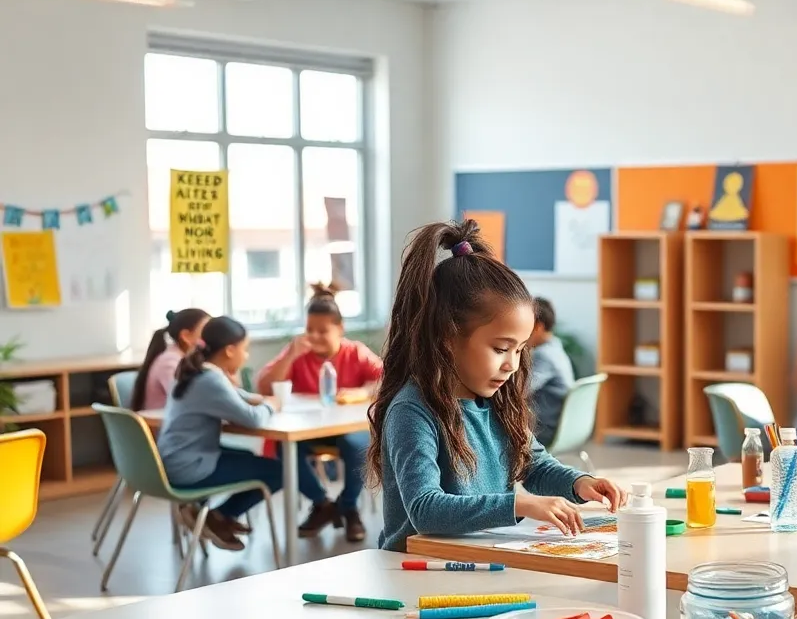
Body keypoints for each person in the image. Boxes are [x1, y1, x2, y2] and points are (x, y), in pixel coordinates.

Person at [370, 220, 627, 553]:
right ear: (448, 339)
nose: (513, 364)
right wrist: (518, 504)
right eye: (501, 348)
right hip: (417, 569)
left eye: (519, 349)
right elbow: (425, 510)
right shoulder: (413, 410)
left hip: (478, 560)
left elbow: (534, 464)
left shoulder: (495, 402)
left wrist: (581, 483)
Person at [156, 317, 323, 552]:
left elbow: (235, 394)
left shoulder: (196, 371)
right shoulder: (211, 379)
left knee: (246, 454)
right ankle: (218, 516)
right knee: (279, 471)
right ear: (229, 350)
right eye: (245, 350)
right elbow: (252, 419)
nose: (246, 356)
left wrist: (259, 399)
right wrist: (271, 405)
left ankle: (218, 517)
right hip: (189, 467)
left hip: (174, 459)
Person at [256, 282, 382, 542]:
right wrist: (290, 355)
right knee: (283, 449)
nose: (314, 337)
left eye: (322, 331)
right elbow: (264, 385)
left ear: (340, 329)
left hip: (347, 430)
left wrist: (361, 392)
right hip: (308, 431)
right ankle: (323, 505)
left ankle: (347, 506)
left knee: (357, 446)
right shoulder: (298, 354)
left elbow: (389, 379)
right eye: (309, 330)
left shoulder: (355, 352)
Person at [130, 308, 210, 412]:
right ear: (185, 336)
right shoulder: (170, 362)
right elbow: (191, 400)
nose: (211, 336)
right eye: (206, 331)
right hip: (165, 425)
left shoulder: (184, 359)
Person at [526, 297, 575, 446]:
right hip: (566, 426)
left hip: (546, 428)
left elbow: (522, 390)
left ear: (538, 327)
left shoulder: (544, 355)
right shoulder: (556, 348)